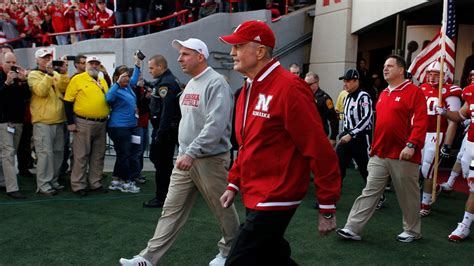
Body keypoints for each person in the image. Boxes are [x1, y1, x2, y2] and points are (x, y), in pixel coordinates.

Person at [218, 20, 341, 265]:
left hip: (278, 192)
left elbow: (318, 146)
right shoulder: (247, 89)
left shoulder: (290, 88)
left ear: (260, 51)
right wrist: (234, 182)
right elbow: (248, 143)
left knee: (239, 260)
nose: (232, 53)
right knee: (272, 256)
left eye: (239, 46)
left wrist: (327, 204)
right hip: (255, 190)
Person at [119, 38, 240, 266]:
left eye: (185, 54)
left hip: (209, 159)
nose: (179, 58)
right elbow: (187, 122)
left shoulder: (216, 83)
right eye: (180, 54)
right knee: (170, 210)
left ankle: (230, 252)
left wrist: (191, 152)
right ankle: (148, 258)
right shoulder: (192, 83)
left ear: (200, 56)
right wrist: (183, 151)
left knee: (222, 208)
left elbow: (215, 126)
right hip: (186, 158)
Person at [337, 55, 428, 242]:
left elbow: (420, 122)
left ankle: (412, 231)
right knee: (369, 191)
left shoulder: (414, 92)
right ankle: (352, 228)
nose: (385, 69)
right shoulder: (384, 93)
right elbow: (379, 124)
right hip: (380, 153)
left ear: (401, 70)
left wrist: (412, 145)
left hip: (404, 154)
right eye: (384, 65)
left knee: (407, 196)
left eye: (390, 66)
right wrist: (374, 148)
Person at [418, 60, 462, 217]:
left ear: (446, 76)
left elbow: (454, 121)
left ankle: (425, 203)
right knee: (417, 167)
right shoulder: (422, 88)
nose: (432, 77)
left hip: (438, 134)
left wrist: (448, 144)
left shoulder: (449, 92)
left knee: (428, 168)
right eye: (430, 74)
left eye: (437, 74)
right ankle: (432, 189)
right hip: (422, 132)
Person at [435, 69, 474, 242]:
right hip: (471, 143)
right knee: (470, 179)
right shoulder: (471, 92)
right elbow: (460, 115)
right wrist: (444, 112)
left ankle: (465, 225)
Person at [64, 56, 110, 197]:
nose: (94, 66)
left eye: (97, 63)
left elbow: (108, 97)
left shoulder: (101, 81)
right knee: (81, 155)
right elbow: (67, 101)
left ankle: (95, 183)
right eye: (91, 63)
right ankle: (78, 185)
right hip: (83, 122)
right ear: (86, 65)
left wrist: (106, 74)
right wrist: (70, 122)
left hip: (101, 123)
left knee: (98, 155)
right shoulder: (77, 79)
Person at [28, 48, 70, 196]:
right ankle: (43, 184)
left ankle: (53, 179)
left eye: (48, 57)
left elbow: (66, 87)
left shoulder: (56, 73)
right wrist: (49, 74)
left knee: (58, 152)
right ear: (37, 60)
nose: (47, 60)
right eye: (43, 58)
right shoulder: (33, 75)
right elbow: (41, 91)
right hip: (43, 121)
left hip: (59, 119)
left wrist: (64, 71)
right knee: (45, 153)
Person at [143, 54, 181, 208]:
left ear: (160, 67)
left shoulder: (167, 83)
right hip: (164, 129)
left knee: (161, 164)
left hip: (165, 130)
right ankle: (170, 193)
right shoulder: (165, 80)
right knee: (160, 161)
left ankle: (162, 197)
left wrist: (161, 132)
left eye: (152, 68)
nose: (150, 71)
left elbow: (167, 110)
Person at [106, 63, 142, 194]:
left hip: (129, 127)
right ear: (117, 77)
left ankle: (116, 180)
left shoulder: (128, 87)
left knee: (123, 154)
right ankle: (126, 182)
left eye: (127, 76)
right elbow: (108, 99)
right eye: (123, 76)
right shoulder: (115, 89)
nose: (126, 79)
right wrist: (117, 83)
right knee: (125, 155)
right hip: (119, 127)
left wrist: (137, 65)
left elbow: (134, 79)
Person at [0, 52, 31, 199]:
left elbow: (26, 97)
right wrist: (7, 83)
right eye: (8, 62)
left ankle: (3, 181)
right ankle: (12, 188)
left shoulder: (18, 77)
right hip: (3, 122)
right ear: (2, 62)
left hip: (18, 121)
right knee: (8, 154)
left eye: (14, 61)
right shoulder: (3, 77)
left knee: (8, 154)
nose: (12, 64)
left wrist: (24, 81)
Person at [305, 71, 338, 146]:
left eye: (309, 84)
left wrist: (333, 137)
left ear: (317, 83)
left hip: (319, 135)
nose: (306, 86)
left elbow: (333, 118)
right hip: (306, 134)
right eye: (304, 84)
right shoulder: (304, 95)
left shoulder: (324, 98)